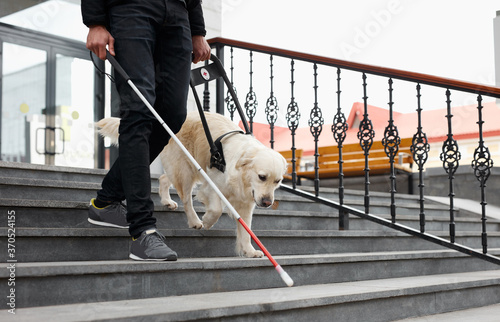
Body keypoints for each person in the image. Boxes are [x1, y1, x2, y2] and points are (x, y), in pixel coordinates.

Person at [81, 0, 211, 261]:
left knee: (173, 117)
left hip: (178, 14)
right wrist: (95, 21)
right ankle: (142, 231)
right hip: (131, 8)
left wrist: (197, 30)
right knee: (139, 111)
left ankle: (106, 202)